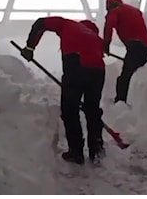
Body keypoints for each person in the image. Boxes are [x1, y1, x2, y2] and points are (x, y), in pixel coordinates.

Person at [20, 17, 106, 165]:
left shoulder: (66, 23)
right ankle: (96, 149)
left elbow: (40, 23)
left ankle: (76, 152)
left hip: (76, 63)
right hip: (98, 71)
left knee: (70, 109)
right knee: (92, 109)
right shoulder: (96, 38)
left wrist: (30, 48)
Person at [103, 0, 147, 104]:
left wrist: (106, 44)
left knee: (124, 77)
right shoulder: (135, 10)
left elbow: (109, 26)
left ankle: (120, 102)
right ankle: (146, 101)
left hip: (135, 47)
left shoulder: (115, 11)